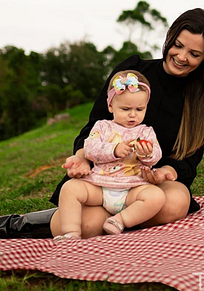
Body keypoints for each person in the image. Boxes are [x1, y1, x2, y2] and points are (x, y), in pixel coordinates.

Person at [0, 8, 204, 239]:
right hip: (103, 177)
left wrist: (168, 172)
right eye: (177, 45)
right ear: (169, 38)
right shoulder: (132, 73)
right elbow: (95, 125)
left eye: (194, 53)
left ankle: (117, 224)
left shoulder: (199, 101)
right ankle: (21, 224)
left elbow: (189, 161)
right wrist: (82, 156)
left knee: (176, 202)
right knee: (84, 226)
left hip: (145, 184)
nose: (181, 56)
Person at [55, 70, 162, 241]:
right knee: (69, 188)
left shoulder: (146, 131)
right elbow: (89, 148)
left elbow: (156, 155)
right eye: (126, 109)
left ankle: (119, 221)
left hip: (131, 189)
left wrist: (147, 154)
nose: (133, 114)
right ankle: (71, 233)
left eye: (139, 109)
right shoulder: (102, 127)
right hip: (100, 186)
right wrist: (114, 150)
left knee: (156, 196)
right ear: (111, 106)